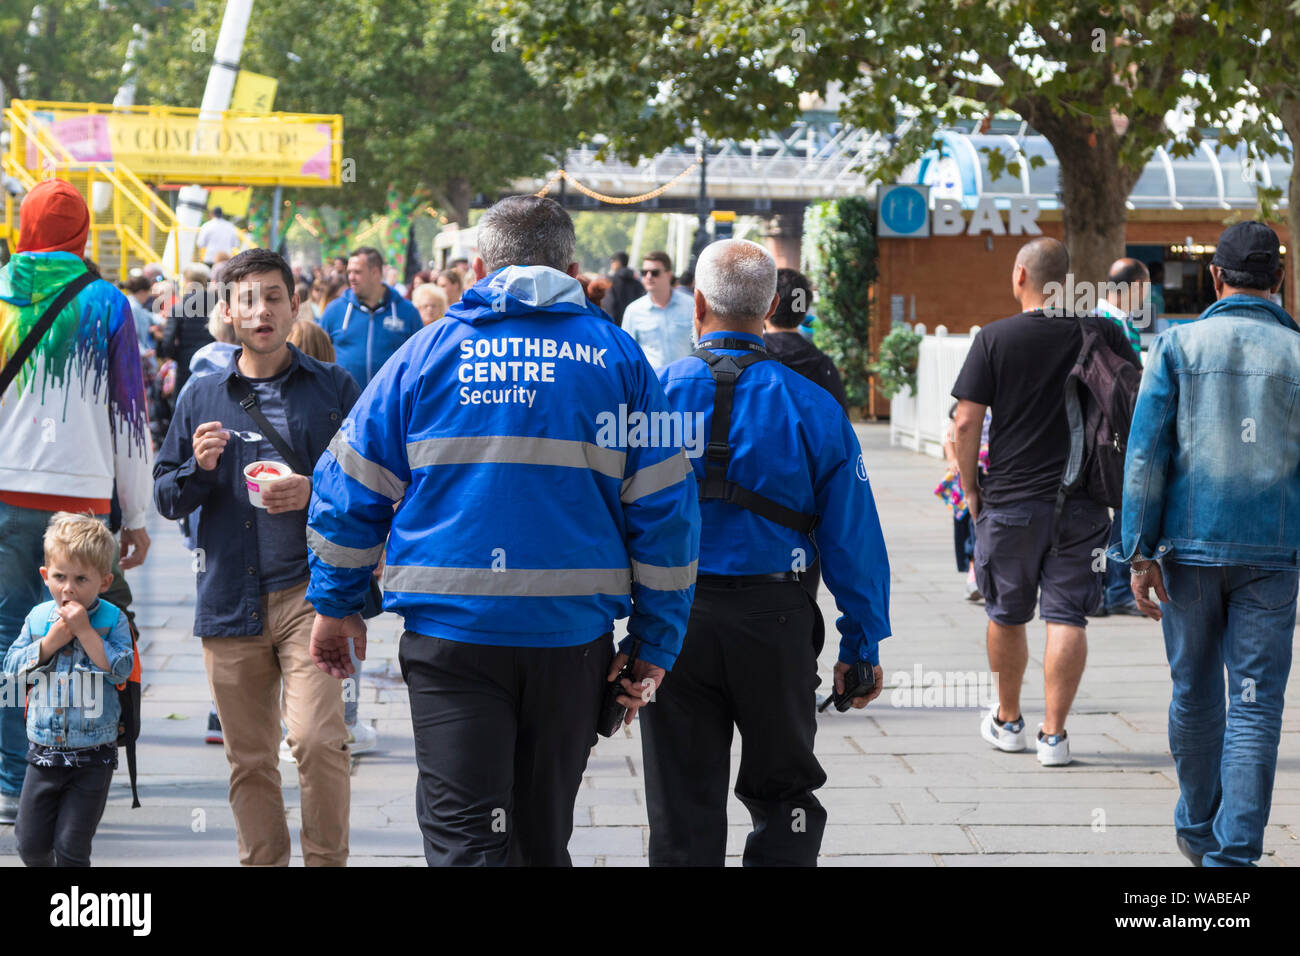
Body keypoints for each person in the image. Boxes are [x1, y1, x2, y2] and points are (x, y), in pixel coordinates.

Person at [306, 195, 699, 866]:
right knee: (542, 839)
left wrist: (336, 604)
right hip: (570, 646)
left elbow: (350, 486)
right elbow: (666, 511)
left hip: (452, 642)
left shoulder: (424, 354)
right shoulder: (621, 361)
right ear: (571, 266)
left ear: (482, 265)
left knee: (466, 839)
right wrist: (654, 643)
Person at [642, 239, 890, 866]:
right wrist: (861, 646)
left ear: (697, 303)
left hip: (675, 625)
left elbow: (606, 518)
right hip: (776, 623)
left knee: (681, 805)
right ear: (773, 304)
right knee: (787, 798)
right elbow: (853, 538)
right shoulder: (815, 407)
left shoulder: (652, 397)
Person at [153, 248, 359, 866]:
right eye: (248, 299)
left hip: (310, 595)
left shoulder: (333, 388)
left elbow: (374, 488)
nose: (261, 310)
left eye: (273, 296)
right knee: (248, 758)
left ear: (294, 306)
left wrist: (313, 488)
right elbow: (166, 495)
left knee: (320, 742)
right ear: (228, 313)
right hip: (228, 598)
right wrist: (198, 466)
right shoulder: (201, 394)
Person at [1120, 222, 1299, 867]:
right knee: (1254, 704)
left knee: (1194, 691)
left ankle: (1198, 832)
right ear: (1280, 280)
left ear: (1216, 278)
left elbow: (1145, 458)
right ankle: (1233, 860)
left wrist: (1136, 552)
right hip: (1273, 557)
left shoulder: (1177, 347)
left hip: (1187, 557)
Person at [951, 237, 1140, 768]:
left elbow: (966, 422)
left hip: (1009, 502)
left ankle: (1008, 721)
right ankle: (1054, 736)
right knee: (1067, 618)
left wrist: (970, 489)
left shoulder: (995, 338)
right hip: (1082, 501)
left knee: (1007, 614)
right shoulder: (1100, 331)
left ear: (1019, 276)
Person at [0, 180, 153, 826]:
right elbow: (130, 419)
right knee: (86, 635)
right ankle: (63, 771)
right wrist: (139, 517)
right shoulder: (107, 305)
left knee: (13, 637)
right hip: (83, 503)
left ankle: (13, 781)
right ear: (83, 236)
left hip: (6, 493)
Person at [0, 513, 135, 866]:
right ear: (46, 576)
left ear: (104, 582)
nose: (68, 589)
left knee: (71, 847)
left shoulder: (113, 620)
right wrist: (48, 643)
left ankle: (73, 909)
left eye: (81, 579)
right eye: (59, 577)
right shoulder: (38, 618)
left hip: (93, 755)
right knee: (29, 844)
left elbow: (122, 668)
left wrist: (87, 633)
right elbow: (12, 671)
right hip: (43, 753)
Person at [1091, 258, 1148, 618]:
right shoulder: (1111, 325)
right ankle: (1113, 588)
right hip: (1113, 434)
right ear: (1135, 288)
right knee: (1124, 508)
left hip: (1102, 433)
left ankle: (1102, 590)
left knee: (1111, 510)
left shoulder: (1105, 321)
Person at [318, 247, 422, 388]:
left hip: (390, 405)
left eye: (357, 272)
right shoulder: (334, 310)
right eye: (349, 272)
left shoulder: (407, 312)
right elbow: (317, 355)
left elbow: (419, 359)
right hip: (344, 406)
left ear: (375, 272)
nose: (351, 278)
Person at [762, 268, 848, 413]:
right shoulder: (822, 365)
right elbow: (840, 424)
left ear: (767, 305)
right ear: (804, 311)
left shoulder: (747, 358)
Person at [622, 251, 696, 372]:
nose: (649, 277)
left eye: (655, 273)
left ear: (669, 275)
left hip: (686, 382)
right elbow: (627, 353)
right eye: (644, 272)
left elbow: (701, 347)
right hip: (651, 385)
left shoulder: (691, 306)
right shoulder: (633, 311)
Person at [157, 262, 217, 397]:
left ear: (187, 281)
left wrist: (176, 356)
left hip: (186, 363)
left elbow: (168, 341)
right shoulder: (219, 304)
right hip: (215, 361)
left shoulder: (179, 307)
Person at [604, 251, 644, 327]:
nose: (611, 265)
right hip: (634, 324)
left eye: (612, 262)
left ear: (618, 263)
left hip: (616, 326)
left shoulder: (610, 281)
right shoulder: (638, 283)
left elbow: (609, 306)